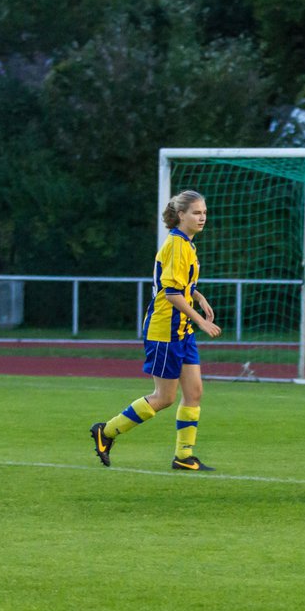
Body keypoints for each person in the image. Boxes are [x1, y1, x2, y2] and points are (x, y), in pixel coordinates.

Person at [89, 190, 222, 471]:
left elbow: (182, 286)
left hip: (182, 331)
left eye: (205, 213)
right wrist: (201, 320)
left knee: (194, 392)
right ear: (181, 215)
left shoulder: (187, 244)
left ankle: (184, 457)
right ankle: (107, 431)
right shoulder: (176, 245)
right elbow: (172, 294)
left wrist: (200, 298)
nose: (202, 218)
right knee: (164, 397)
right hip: (165, 331)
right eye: (196, 213)